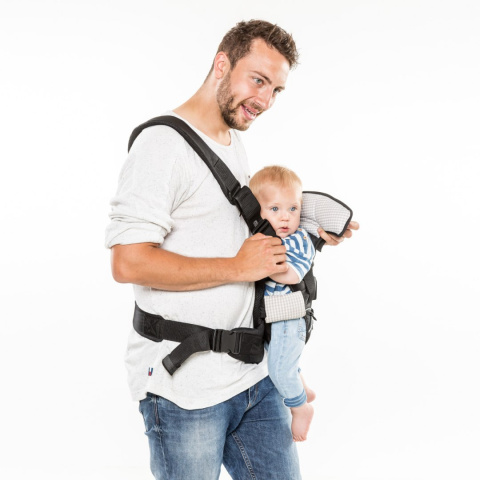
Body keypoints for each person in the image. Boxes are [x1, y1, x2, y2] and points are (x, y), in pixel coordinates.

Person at [105, 19, 359, 480]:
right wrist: (237, 268)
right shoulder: (161, 146)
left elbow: (229, 229)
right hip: (186, 389)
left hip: (254, 376)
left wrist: (310, 233)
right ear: (222, 64)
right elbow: (128, 262)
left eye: (276, 90)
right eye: (258, 80)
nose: (265, 100)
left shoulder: (230, 139)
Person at [249, 165, 316, 442]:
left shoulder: (298, 240)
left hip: (289, 318)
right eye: (275, 209)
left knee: (278, 369)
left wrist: (257, 266)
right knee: (281, 359)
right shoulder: (262, 237)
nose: (286, 217)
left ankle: (301, 408)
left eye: (293, 208)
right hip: (272, 319)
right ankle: (303, 388)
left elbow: (293, 274)